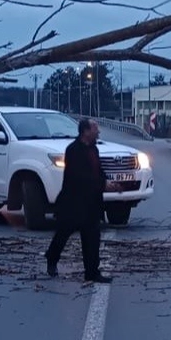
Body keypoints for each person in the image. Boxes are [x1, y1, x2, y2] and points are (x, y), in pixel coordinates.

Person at [45, 118, 121, 283]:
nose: (98, 132)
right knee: (63, 233)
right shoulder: (73, 151)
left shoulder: (94, 149)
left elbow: (97, 171)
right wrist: (103, 184)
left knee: (92, 237)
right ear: (86, 131)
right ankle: (51, 258)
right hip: (73, 202)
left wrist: (107, 182)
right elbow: (79, 177)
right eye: (95, 129)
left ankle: (92, 272)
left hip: (92, 202)